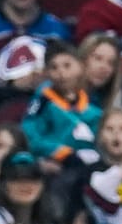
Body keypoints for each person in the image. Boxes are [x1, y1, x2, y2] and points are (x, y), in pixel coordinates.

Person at [22, 41, 103, 173]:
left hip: (91, 163)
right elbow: (30, 136)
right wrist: (61, 153)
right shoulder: (42, 101)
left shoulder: (93, 102)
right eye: (54, 67)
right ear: (46, 72)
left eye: (67, 65)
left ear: (80, 66)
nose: (61, 72)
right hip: (54, 165)